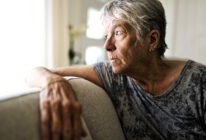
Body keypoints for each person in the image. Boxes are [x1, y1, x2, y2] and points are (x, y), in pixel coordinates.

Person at [26, 0, 206, 140]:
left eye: (118, 33)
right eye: (106, 36)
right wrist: (54, 82)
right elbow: (34, 73)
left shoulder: (199, 82)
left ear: (152, 39)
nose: (107, 45)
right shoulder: (112, 75)